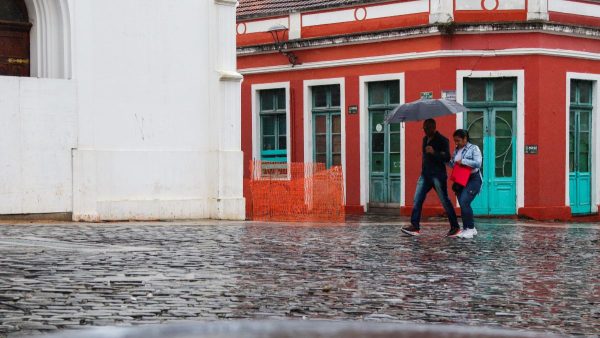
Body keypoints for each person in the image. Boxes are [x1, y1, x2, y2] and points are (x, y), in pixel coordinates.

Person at [401, 119, 461, 237]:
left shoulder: (443, 140)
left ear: (433, 128)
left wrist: (434, 152)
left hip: (438, 176)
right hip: (425, 175)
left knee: (445, 200)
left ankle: (455, 227)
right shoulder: (424, 139)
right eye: (424, 128)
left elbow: (447, 158)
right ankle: (415, 227)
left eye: (427, 128)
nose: (425, 131)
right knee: (417, 199)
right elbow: (425, 156)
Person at [449, 129, 483, 239]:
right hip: (460, 179)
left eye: (458, 140)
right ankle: (466, 228)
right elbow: (453, 164)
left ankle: (471, 228)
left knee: (464, 201)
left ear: (465, 139)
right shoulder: (457, 150)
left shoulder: (474, 148)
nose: (456, 143)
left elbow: (478, 163)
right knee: (462, 204)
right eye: (455, 141)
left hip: (473, 179)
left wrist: (463, 161)